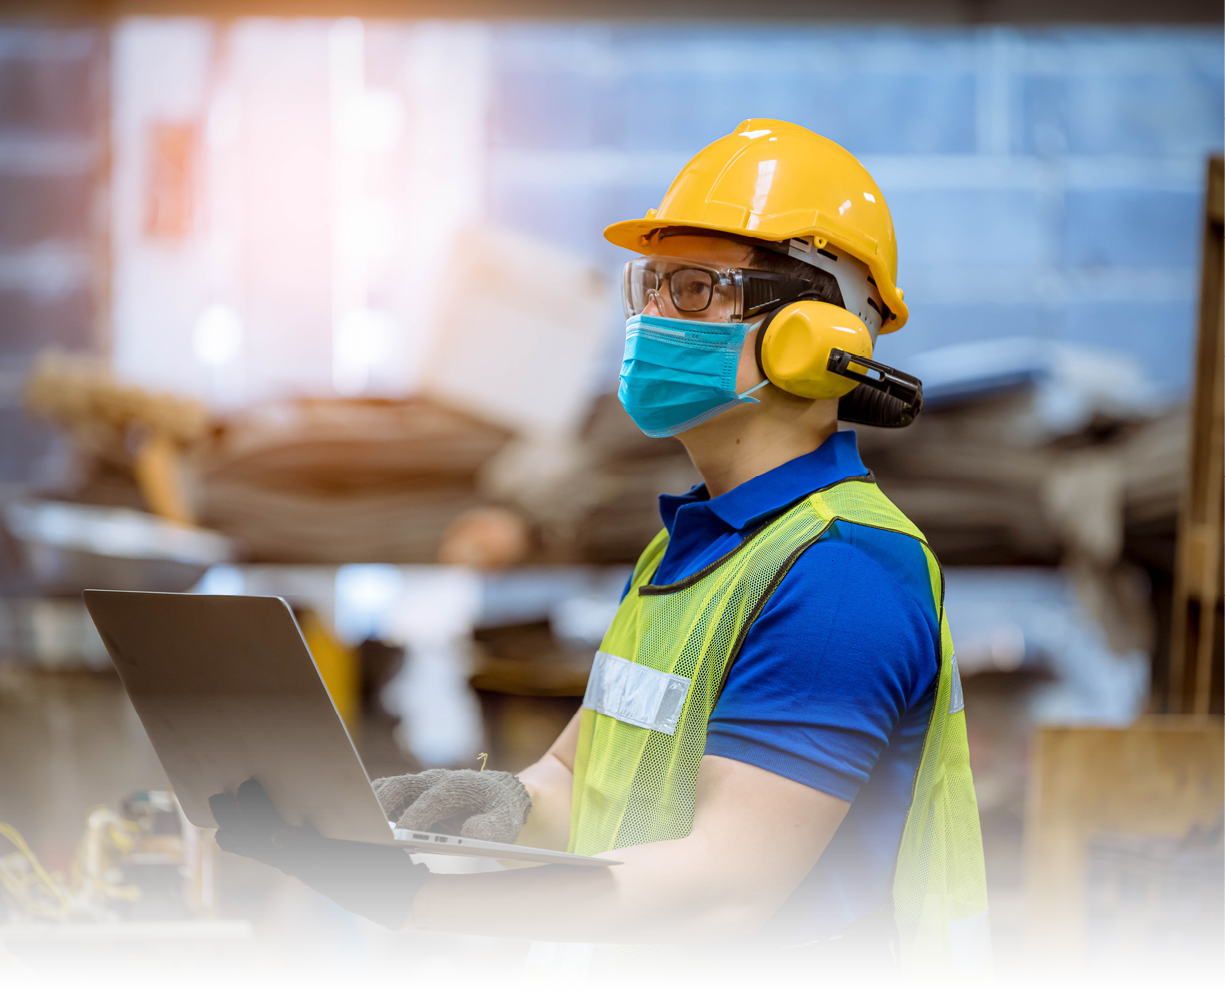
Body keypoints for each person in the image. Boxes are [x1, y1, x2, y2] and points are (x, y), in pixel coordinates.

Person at [211, 119, 994, 991]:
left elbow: (723, 889)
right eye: (647, 285)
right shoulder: (687, 542)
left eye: (693, 290)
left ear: (812, 337)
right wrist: (500, 805)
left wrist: (420, 903)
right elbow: (578, 776)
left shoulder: (840, 573)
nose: (649, 318)